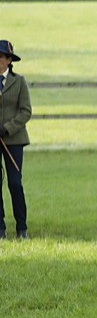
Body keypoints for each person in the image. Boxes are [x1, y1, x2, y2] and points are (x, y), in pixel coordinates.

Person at [0, 39, 32, 240]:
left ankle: (22, 227)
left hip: (14, 140)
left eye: (0, 57)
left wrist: (7, 128)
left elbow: (26, 111)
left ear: (8, 60)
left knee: (14, 183)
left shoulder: (19, 81)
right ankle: (0, 228)